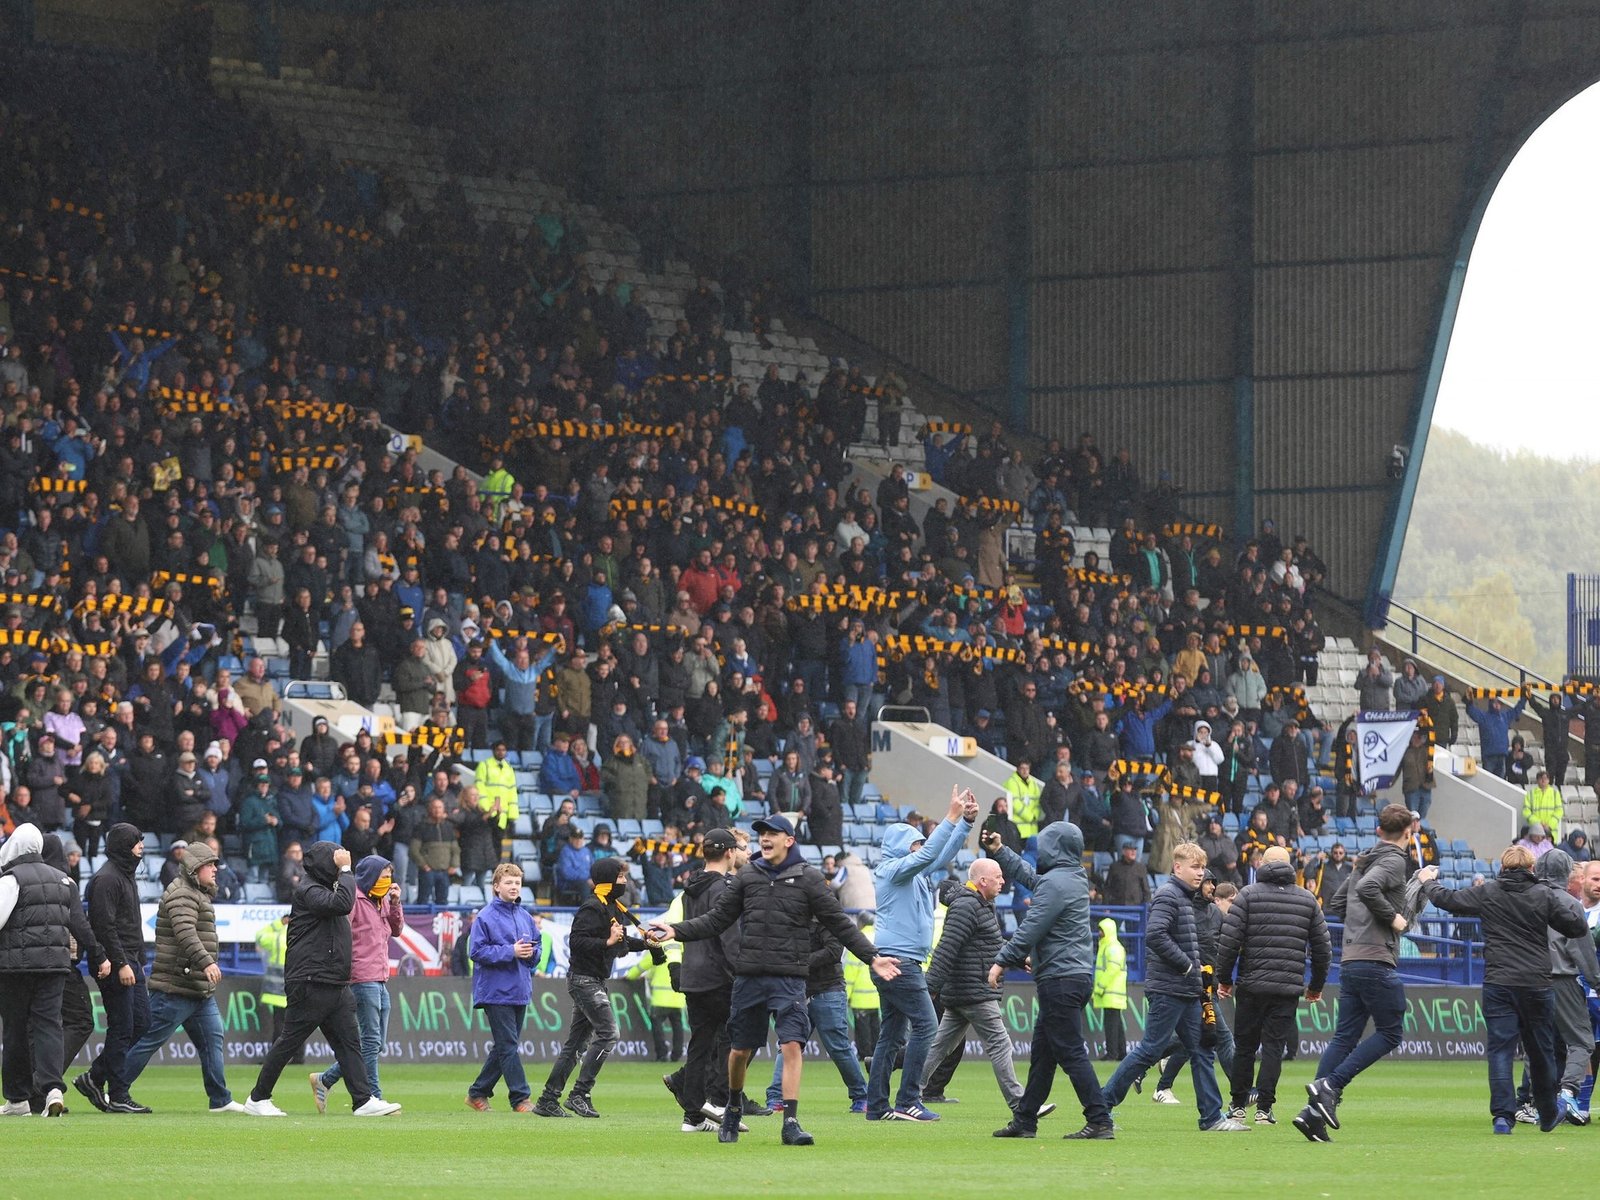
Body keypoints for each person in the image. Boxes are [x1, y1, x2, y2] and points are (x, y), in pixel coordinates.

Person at [651, 814, 899, 1146]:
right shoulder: (747, 876)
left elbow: (839, 923)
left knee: (792, 1044)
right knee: (739, 1050)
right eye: (762, 834)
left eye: (772, 833)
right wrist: (676, 931)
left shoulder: (809, 879)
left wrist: (872, 956)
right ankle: (733, 1108)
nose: (764, 838)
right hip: (750, 978)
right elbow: (715, 920)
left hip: (790, 978)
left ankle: (791, 1122)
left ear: (789, 841)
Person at [1420, 845, 1589, 1133]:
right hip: (1536, 983)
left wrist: (1427, 881)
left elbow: (1446, 900)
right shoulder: (1544, 894)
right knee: (1541, 1052)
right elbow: (1576, 927)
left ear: (1503, 866)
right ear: (1531, 868)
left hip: (1498, 982)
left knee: (1500, 1051)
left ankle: (1502, 1117)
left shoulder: (1489, 892)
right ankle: (1548, 1114)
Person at [1295, 804, 1427, 1142]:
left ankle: (1312, 1114)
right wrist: (1393, 917)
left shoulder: (1364, 859)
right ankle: (1331, 1086)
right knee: (1391, 1033)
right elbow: (1370, 890)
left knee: (1344, 1037)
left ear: (1379, 830)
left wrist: (1362, 924)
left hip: (1352, 959)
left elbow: (1340, 904)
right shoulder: (1395, 861)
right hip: (1375, 959)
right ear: (1409, 832)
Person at [244, 842, 401, 1117]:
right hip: (311, 980)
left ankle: (363, 1100)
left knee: (349, 1043)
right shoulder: (308, 890)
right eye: (335, 860)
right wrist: (347, 870)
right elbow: (342, 904)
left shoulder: (326, 888)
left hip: (333, 981)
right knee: (289, 1042)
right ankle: (258, 1098)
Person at [1099, 843, 1245, 1132]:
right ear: (1177, 867)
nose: (1200, 873)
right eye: (1195, 867)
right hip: (1169, 988)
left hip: (1186, 990)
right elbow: (1154, 935)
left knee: (1203, 1047)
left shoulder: (1183, 897)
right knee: (1150, 1050)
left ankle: (1212, 1117)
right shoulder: (1168, 896)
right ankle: (1100, 1106)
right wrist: (1187, 966)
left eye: (1202, 867)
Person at [986, 821, 1114, 1140]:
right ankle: (1026, 1119)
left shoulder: (1056, 884)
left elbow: (1031, 928)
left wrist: (1001, 961)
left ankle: (1099, 1119)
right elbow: (1034, 879)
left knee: (1070, 1052)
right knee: (1043, 1056)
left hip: (1060, 978)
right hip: (1072, 975)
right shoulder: (1071, 877)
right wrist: (1001, 852)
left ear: (1053, 847)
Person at [865, 788, 977, 1122]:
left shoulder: (912, 875)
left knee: (891, 1035)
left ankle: (878, 1106)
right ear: (901, 847)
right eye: (915, 844)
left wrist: (966, 824)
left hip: (901, 959)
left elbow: (939, 856)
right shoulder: (890, 870)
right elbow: (929, 855)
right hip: (899, 961)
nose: (920, 850)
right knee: (927, 1027)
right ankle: (908, 1100)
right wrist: (951, 816)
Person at [117, 841, 244, 1113]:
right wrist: (206, 961)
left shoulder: (195, 893)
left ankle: (220, 1099)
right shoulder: (182, 894)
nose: (215, 870)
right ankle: (114, 1088)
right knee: (147, 1042)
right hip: (176, 985)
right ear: (195, 868)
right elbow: (186, 932)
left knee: (213, 1040)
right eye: (210, 865)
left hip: (196, 988)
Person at [534, 856, 662, 1118]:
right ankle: (579, 1094)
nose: (625, 881)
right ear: (608, 879)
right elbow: (577, 942)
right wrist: (606, 942)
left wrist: (647, 943)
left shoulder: (613, 907)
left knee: (576, 1045)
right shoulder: (592, 908)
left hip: (593, 980)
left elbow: (621, 942)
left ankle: (548, 1099)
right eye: (621, 876)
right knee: (609, 1033)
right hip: (584, 980)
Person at [1215, 845, 1331, 1125]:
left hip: (1251, 986)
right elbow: (1323, 948)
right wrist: (1315, 986)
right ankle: (1265, 1108)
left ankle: (1238, 1105)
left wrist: (1225, 980)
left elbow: (1229, 941)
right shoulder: (1306, 900)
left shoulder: (1247, 896)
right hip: (1287, 988)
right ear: (1290, 866)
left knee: (1244, 1047)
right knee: (1273, 1049)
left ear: (1262, 865)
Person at [0, 824, 107, 1118]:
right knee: (49, 1026)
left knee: (16, 1032)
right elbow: (76, 924)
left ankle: (18, 1098)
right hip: (56, 966)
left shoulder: (11, 879)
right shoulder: (63, 880)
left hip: (15, 968)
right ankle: (52, 1090)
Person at [921, 859, 1029, 1115]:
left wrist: (1019, 958)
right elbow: (946, 949)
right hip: (974, 990)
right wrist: (929, 989)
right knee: (1000, 1043)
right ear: (983, 881)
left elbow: (992, 946)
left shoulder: (980, 905)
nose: (1003, 882)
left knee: (938, 1047)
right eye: (999, 877)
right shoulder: (968, 906)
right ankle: (1021, 1104)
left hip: (965, 989)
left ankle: (909, 1094)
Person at [664, 828, 747, 1132]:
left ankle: (692, 1116)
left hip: (693, 974)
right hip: (720, 974)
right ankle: (719, 1102)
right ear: (729, 853)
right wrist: (740, 970)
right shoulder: (725, 888)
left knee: (699, 1045)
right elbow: (728, 936)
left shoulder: (690, 887)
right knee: (732, 1040)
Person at [310, 855, 404, 1110]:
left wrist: (395, 904)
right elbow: (338, 933)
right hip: (361, 976)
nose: (388, 881)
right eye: (384, 876)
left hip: (382, 976)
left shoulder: (382, 901)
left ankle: (325, 1079)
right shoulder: (354, 900)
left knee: (375, 1043)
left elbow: (396, 930)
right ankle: (372, 1096)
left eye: (389, 876)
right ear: (370, 876)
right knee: (371, 1041)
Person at [1513, 849, 1595, 1125]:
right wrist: (1596, 981)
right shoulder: (1569, 904)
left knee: (1538, 1043)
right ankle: (1568, 1092)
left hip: (1527, 979)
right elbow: (1581, 950)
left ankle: (1536, 1103)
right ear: (1566, 873)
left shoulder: (1523, 900)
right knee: (1582, 1041)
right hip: (1561, 980)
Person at [78, 823, 148, 1113]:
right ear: (123, 845)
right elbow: (104, 927)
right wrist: (120, 963)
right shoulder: (107, 879)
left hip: (131, 958)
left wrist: (137, 960)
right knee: (122, 1027)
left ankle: (94, 1077)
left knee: (142, 1022)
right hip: (116, 961)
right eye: (136, 841)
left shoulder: (125, 874)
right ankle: (118, 1093)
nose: (141, 846)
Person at [465, 863, 540, 1112]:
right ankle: (520, 1097)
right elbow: (475, 951)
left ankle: (477, 1093)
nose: (514, 886)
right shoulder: (485, 916)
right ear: (496, 887)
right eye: (508, 882)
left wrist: (531, 954)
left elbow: (536, 947)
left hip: (519, 989)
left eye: (517, 882)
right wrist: (512, 951)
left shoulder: (525, 915)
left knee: (504, 1046)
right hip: (496, 991)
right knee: (508, 1045)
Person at [1093, 916, 1128, 1061]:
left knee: (1111, 1025)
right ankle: (1120, 1053)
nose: (1099, 933)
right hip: (1112, 993)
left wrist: (1100, 987)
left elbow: (1112, 969)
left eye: (1101, 931)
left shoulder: (1112, 947)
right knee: (1116, 1024)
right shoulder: (1109, 946)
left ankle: (1112, 1053)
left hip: (1111, 992)